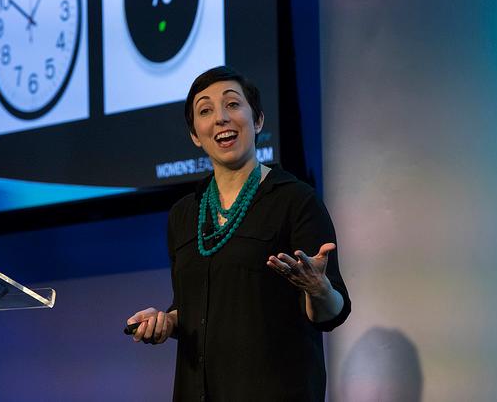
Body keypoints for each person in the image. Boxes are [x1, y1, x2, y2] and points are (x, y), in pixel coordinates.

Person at [126, 66, 351, 401]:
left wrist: (319, 289)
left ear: (257, 120)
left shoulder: (295, 200)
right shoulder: (184, 214)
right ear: (194, 135)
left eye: (232, 105)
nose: (221, 118)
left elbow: (334, 311)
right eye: (206, 111)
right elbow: (193, 310)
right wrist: (166, 322)